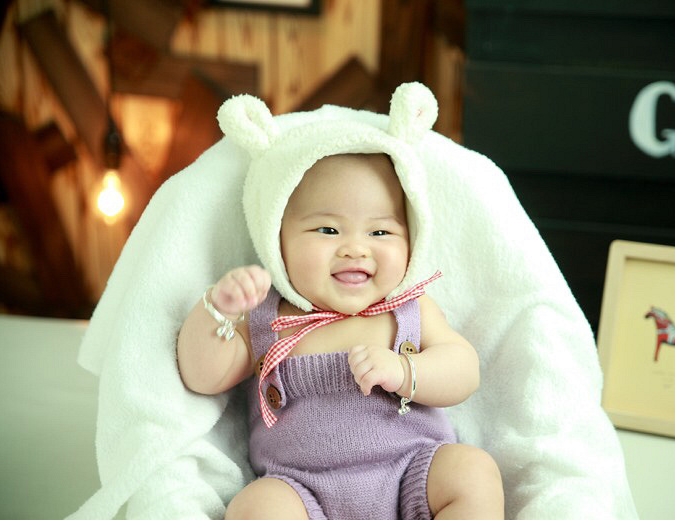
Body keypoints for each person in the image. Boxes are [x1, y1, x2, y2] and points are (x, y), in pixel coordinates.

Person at [177, 152, 503, 518]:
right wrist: (218, 309)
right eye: (328, 230)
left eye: (380, 232)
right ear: (277, 240)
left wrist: (404, 371)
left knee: (472, 471)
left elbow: (464, 371)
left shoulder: (407, 309)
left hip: (413, 473)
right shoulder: (269, 317)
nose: (355, 249)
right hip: (302, 491)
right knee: (256, 505)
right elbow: (203, 376)